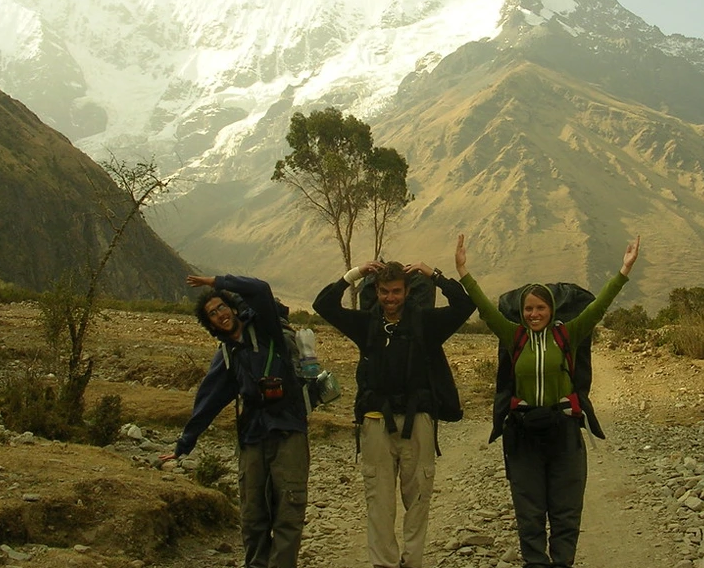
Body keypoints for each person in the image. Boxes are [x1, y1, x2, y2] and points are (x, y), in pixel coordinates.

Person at [454, 234, 640, 568]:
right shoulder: (514, 336)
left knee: (566, 509)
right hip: (524, 434)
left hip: (564, 432)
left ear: (551, 310)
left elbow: (599, 307)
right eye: (528, 308)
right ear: (521, 312)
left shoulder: (568, 334)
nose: (534, 314)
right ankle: (535, 562)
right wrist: (463, 272)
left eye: (540, 308)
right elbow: (485, 308)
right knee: (529, 510)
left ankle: (562, 562)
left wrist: (624, 271)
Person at [312, 260, 475, 568]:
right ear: (376, 291)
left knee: (419, 497)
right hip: (376, 420)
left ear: (407, 291)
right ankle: (384, 563)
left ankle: (412, 561)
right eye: (384, 292)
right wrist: (355, 274)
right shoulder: (366, 324)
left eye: (396, 291)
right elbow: (323, 305)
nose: (390, 298)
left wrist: (434, 274)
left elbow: (465, 305)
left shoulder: (426, 323)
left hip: (419, 420)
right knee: (379, 498)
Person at [160, 274, 309, 568]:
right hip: (252, 435)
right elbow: (207, 402)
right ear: (211, 325)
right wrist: (183, 445)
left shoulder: (266, 329)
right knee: (252, 514)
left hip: (289, 429)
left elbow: (261, 289)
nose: (220, 314)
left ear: (232, 307)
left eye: (221, 307)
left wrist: (216, 282)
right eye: (212, 314)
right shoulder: (227, 356)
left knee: (288, 511)